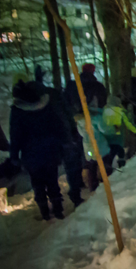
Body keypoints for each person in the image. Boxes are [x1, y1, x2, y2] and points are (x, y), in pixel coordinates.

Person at [10, 79, 68, 220]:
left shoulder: (18, 111)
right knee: (52, 181)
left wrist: (14, 156)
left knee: (38, 184)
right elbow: (58, 125)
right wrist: (64, 143)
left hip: (31, 155)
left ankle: (45, 213)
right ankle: (58, 210)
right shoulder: (46, 105)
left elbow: (15, 135)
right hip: (50, 150)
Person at [35, 65, 85, 207]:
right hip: (63, 136)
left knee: (49, 173)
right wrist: (73, 132)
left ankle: (54, 206)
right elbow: (67, 113)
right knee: (71, 166)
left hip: (47, 141)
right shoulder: (54, 94)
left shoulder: (29, 101)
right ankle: (74, 196)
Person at [100, 95, 136, 175]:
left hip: (107, 137)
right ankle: (122, 169)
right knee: (120, 152)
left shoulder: (104, 111)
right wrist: (135, 130)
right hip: (117, 136)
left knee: (110, 153)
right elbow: (127, 123)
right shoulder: (120, 111)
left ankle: (106, 171)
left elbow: (102, 124)